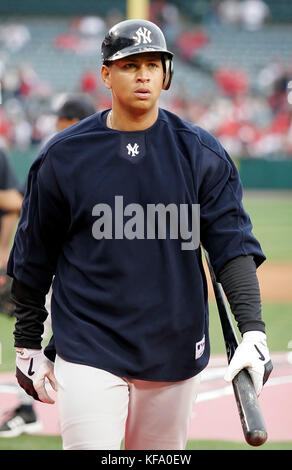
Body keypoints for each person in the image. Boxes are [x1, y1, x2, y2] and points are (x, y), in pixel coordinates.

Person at [7, 19, 272, 450]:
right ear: (107, 74)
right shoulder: (63, 157)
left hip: (174, 346)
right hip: (88, 344)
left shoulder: (199, 154)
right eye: (131, 65)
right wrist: (27, 344)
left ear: (166, 75)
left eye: (154, 64)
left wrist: (254, 332)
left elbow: (232, 248)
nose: (144, 74)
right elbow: (33, 257)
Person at [0, 94, 96, 438]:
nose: (57, 132)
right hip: (62, 269)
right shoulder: (62, 157)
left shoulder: (68, 157)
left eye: (63, 125)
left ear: (74, 123)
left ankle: (28, 410)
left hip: (63, 270)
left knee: (36, 339)